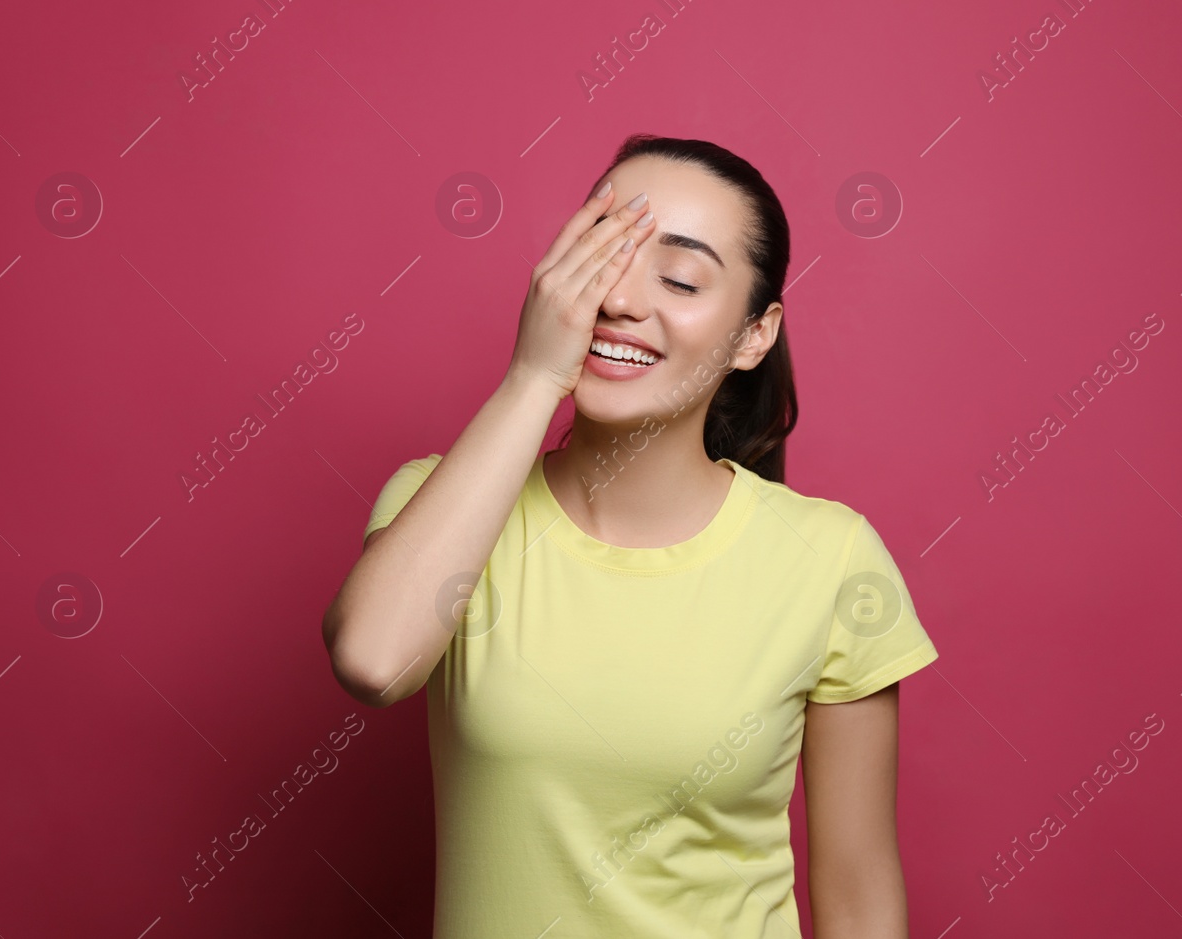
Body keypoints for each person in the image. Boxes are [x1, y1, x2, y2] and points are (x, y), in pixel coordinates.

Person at [321, 134, 938, 938]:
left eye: (680, 278)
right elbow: (372, 661)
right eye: (604, 257)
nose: (621, 301)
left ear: (755, 335)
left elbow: (858, 896)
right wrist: (534, 377)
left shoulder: (831, 558)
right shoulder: (442, 507)